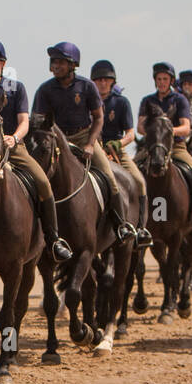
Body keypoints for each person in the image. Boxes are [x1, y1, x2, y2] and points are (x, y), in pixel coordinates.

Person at [0, 39, 73, 263]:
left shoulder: (16, 88)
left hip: (13, 148)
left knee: (43, 183)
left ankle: (53, 239)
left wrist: (14, 137)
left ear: (3, 64)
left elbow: (24, 122)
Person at [31, 42, 134, 242]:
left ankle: (120, 224)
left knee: (110, 176)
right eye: (53, 62)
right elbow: (39, 121)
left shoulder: (86, 86)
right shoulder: (44, 89)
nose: (55, 65)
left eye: (60, 62)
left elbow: (98, 118)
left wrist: (90, 143)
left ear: (72, 64)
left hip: (83, 137)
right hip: (56, 140)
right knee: (36, 178)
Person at [136, 61, 192, 237]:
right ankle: (138, 221)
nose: (161, 82)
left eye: (165, 79)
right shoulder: (147, 100)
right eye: (158, 79)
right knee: (133, 175)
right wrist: (155, 130)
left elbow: (186, 127)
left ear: (171, 80)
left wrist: (166, 130)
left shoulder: (180, 100)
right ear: (154, 81)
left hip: (175, 146)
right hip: (152, 147)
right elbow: (140, 127)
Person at [92, 59, 152, 247]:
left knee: (140, 182)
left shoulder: (121, 102)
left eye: (106, 80)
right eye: (99, 79)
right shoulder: (89, 99)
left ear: (112, 81)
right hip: (93, 148)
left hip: (117, 150)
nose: (102, 83)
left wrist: (117, 145)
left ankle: (141, 229)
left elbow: (131, 134)